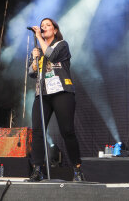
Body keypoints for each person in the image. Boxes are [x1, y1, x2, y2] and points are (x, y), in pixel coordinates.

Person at [28, 18, 84, 182]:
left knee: (67, 131)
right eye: (42, 26)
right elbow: (31, 73)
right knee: (38, 132)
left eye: (47, 25)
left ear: (54, 30)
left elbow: (51, 55)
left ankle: (77, 169)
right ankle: (37, 169)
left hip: (61, 91)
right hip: (42, 94)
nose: (44, 27)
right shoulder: (39, 50)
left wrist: (38, 37)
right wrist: (34, 60)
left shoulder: (62, 45)